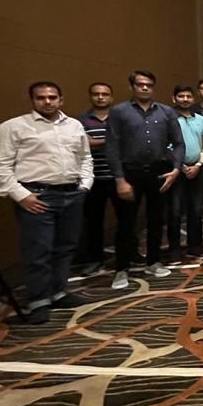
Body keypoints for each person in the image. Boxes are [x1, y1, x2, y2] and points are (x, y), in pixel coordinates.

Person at [0, 81, 94, 324]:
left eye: (52, 97)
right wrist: (21, 195)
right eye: (41, 98)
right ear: (32, 100)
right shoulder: (13, 127)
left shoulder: (74, 125)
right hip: (37, 196)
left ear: (61, 99)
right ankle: (39, 301)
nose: (47, 101)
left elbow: (85, 158)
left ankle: (58, 292)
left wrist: (85, 185)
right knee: (38, 251)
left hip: (71, 194)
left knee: (65, 247)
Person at [106, 70, 184, 289]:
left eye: (149, 84)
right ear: (132, 87)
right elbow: (112, 146)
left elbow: (178, 143)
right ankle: (121, 268)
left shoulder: (166, 112)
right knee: (126, 222)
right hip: (130, 173)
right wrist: (119, 179)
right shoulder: (119, 111)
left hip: (159, 172)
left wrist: (176, 169)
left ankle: (153, 261)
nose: (145, 88)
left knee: (156, 220)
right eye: (140, 84)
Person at [77, 82, 119, 276]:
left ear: (111, 97)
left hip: (118, 176)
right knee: (93, 221)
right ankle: (95, 259)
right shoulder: (81, 121)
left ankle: (128, 255)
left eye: (105, 94)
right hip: (92, 178)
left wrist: (97, 142)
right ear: (91, 96)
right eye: (96, 94)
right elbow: (83, 143)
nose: (101, 97)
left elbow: (128, 141)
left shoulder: (119, 118)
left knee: (126, 219)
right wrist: (112, 141)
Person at [167, 85, 203, 262]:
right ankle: (174, 250)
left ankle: (196, 247)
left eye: (188, 96)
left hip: (198, 169)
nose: (185, 99)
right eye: (181, 96)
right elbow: (166, 145)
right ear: (174, 98)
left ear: (193, 99)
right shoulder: (168, 119)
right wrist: (181, 165)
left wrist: (198, 164)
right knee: (175, 211)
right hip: (176, 170)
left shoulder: (200, 119)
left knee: (196, 210)